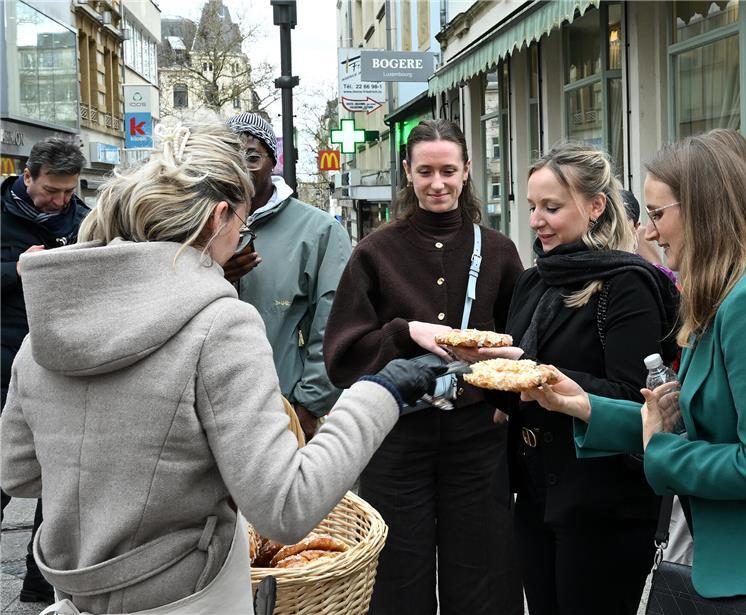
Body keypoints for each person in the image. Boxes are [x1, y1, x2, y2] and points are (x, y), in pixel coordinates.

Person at [0, 119, 446, 614]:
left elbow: (19, 474)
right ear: (219, 217)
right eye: (243, 223)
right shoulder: (220, 324)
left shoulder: (59, 310)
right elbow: (287, 505)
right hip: (186, 594)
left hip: (74, 590)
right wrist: (382, 389)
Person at [526, 132, 746, 613]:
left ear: (704, 210)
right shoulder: (731, 293)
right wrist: (582, 404)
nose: (651, 232)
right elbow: (688, 418)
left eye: (659, 214)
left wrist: (661, 455)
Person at [323, 119, 525, 615]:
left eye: (449, 171)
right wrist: (404, 332)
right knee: (397, 574)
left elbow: (521, 343)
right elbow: (342, 354)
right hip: (397, 437)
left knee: (483, 571)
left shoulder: (497, 250)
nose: (438, 183)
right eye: (426, 171)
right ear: (408, 173)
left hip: (476, 438)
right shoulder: (375, 252)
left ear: (467, 172)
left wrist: (504, 392)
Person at [472, 143, 680, 615]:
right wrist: (483, 366)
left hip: (603, 503)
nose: (536, 221)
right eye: (531, 207)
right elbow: (514, 379)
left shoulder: (628, 284)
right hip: (537, 494)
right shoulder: (536, 279)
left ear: (595, 206)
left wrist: (551, 379)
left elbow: (637, 397)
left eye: (552, 207)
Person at [223, 112, 351, 440]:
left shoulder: (319, 231)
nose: (240, 167)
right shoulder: (199, 224)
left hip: (283, 412)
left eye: (252, 156)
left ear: (273, 160)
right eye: (230, 156)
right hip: (211, 413)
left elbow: (333, 322)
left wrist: (308, 408)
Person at [0, 136, 89, 603]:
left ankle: (39, 591)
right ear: (27, 175)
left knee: (56, 484)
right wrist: (15, 269)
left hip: (55, 370)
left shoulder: (83, 220)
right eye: (50, 190)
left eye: (67, 192)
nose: (58, 201)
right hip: (1, 367)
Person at [621, 188, 665, 268]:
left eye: (623, 220)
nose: (615, 226)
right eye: (608, 219)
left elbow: (660, 273)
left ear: (636, 226)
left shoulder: (640, 236)